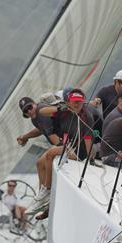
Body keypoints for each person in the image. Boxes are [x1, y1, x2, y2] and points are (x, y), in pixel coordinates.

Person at [29, 89, 94, 218]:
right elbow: (42, 112)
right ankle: (43, 194)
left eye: (79, 102)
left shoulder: (86, 116)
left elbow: (88, 139)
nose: (77, 105)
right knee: (40, 162)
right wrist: (59, 109)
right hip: (68, 145)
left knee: (50, 154)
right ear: (68, 102)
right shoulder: (63, 112)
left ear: (83, 103)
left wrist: (89, 159)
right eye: (74, 102)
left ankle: (47, 190)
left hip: (78, 152)